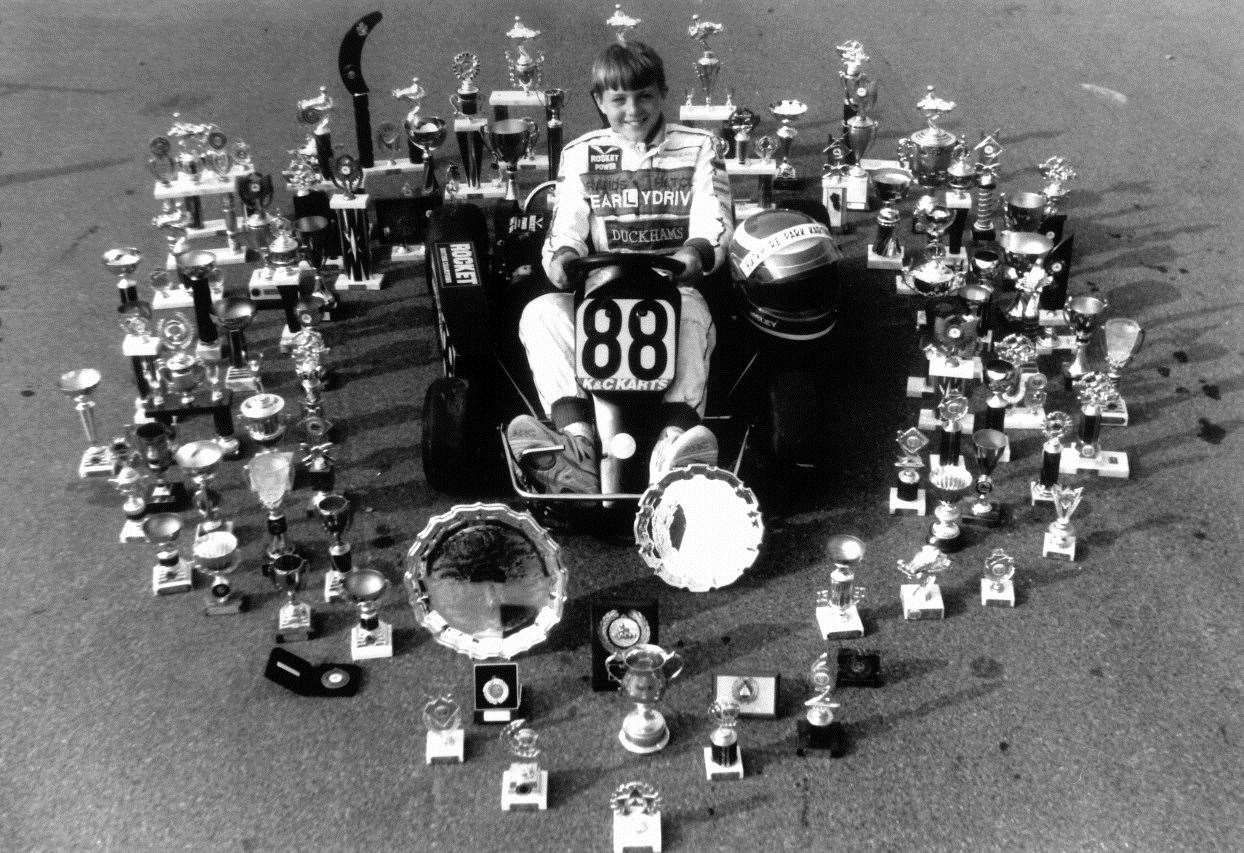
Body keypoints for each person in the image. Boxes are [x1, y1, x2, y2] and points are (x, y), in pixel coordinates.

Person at [507, 40, 734, 494]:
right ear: (599, 102)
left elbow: (716, 222)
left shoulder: (700, 147)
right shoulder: (581, 153)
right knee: (542, 312)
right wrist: (565, 259)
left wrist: (695, 253)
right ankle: (578, 446)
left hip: (672, 289)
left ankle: (672, 449)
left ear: (662, 94)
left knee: (690, 318)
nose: (633, 110)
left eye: (644, 96)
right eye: (619, 99)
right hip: (600, 294)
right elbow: (564, 230)